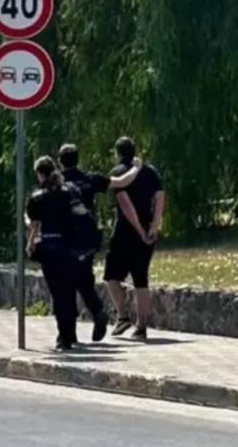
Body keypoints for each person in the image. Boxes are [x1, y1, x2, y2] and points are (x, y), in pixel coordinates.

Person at [57, 143, 140, 342]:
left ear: (60, 162)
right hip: (86, 240)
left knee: (65, 286)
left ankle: (67, 334)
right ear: (78, 159)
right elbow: (120, 181)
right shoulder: (90, 179)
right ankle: (97, 312)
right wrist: (136, 167)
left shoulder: (56, 183)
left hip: (64, 241)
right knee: (84, 280)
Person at [104, 136, 165, 341]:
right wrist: (153, 227)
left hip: (124, 232)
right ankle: (141, 327)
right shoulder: (150, 171)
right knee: (141, 278)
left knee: (111, 276)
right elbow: (159, 198)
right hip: (148, 231)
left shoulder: (117, 173)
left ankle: (122, 316)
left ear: (117, 153)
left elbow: (125, 204)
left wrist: (138, 230)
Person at [25, 155, 86, 351]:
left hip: (50, 247)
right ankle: (70, 333)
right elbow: (81, 215)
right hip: (71, 247)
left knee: (58, 293)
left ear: (40, 173)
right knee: (69, 290)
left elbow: (34, 225)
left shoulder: (37, 197)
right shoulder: (70, 191)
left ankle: (64, 338)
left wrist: (30, 244)